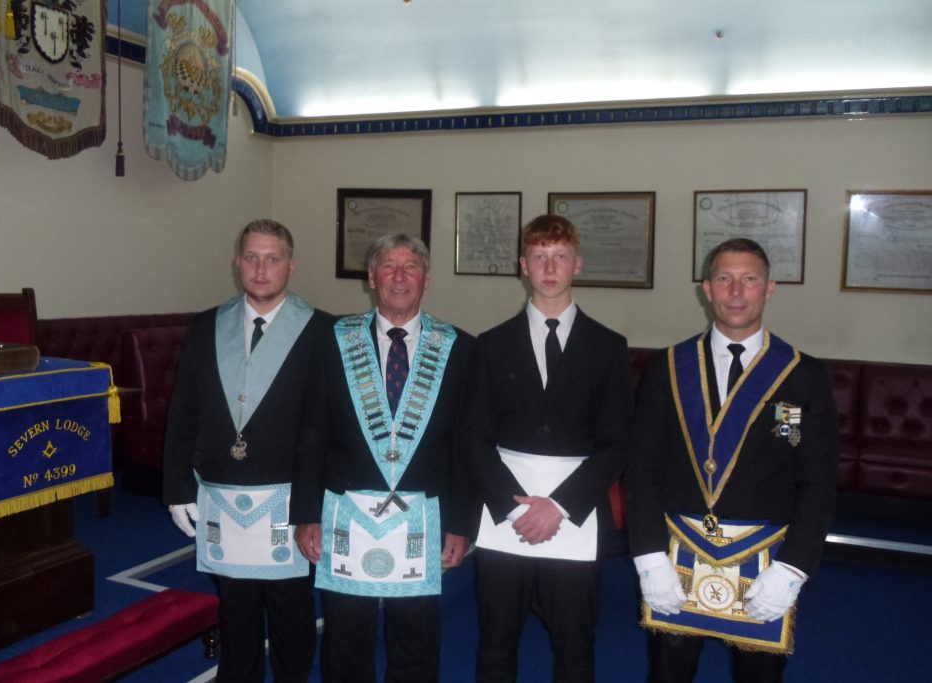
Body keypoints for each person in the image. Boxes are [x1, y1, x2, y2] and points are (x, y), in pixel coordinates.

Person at [626, 238, 838, 683]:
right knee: (667, 675)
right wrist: (648, 557)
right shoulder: (669, 367)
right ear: (707, 289)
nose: (736, 292)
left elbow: (817, 481)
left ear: (769, 289)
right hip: (676, 557)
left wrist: (794, 568)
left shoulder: (800, 374)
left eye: (749, 279)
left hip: (766, 563)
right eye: (724, 279)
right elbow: (642, 469)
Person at [291, 233, 475, 683]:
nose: (399, 277)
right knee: (345, 639)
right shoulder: (332, 341)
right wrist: (306, 514)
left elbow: (466, 446)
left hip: (423, 518)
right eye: (388, 266)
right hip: (346, 515)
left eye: (410, 266)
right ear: (371, 278)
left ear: (426, 278)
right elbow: (311, 432)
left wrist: (463, 524)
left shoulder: (459, 348)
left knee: (416, 640)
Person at [461, 214, 633, 682]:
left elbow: (618, 443)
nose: (550, 267)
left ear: (578, 264)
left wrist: (558, 506)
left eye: (560, 256)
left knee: (574, 645)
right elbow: (473, 437)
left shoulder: (607, 347)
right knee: (497, 642)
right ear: (524, 265)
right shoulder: (491, 345)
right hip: (505, 517)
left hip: (575, 516)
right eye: (540, 256)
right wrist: (516, 509)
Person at [162, 219, 332, 683]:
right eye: (252, 258)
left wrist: (313, 509)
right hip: (221, 491)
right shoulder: (207, 326)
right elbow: (185, 409)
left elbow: (323, 426)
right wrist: (177, 486)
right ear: (237, 263)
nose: (260, 270)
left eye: (272, 259)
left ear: (291, 266)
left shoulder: (322, 331)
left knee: (291, 610)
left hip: (288, 497)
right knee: (235, 607)